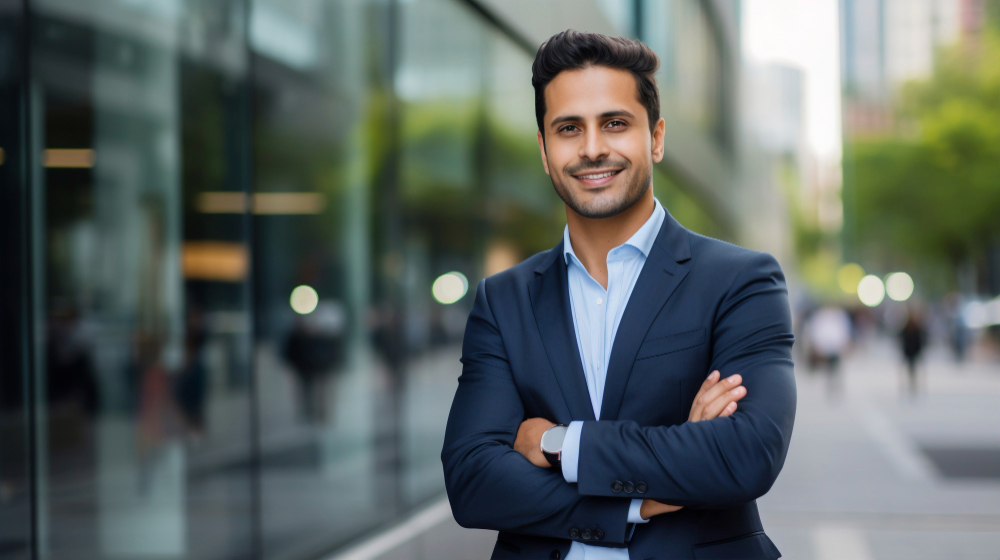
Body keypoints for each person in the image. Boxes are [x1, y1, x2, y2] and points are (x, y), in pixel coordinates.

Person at [442, 31, 796, 560]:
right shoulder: (503, 300)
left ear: (655, 138)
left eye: (614, 123)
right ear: (544, 150)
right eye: (568, 128)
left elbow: (745, 455)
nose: (591, 148)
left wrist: (556, 444)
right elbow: (472, 482)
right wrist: (640, 496)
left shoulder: (740, 281)